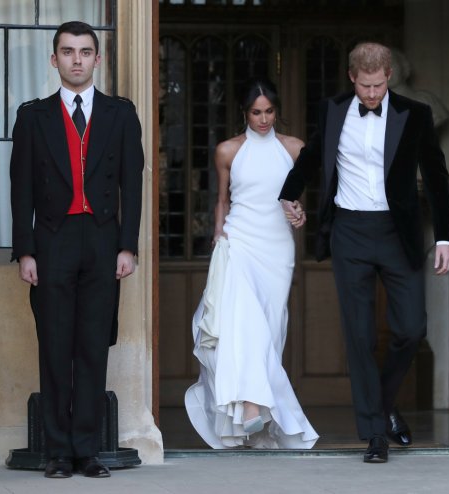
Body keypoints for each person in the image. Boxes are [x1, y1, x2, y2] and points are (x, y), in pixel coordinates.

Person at [278, 42, 449, 463]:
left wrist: (445, 237)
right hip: (350, 230)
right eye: (365, 86)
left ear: (388, 75)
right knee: (358, 335)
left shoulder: (415, 113)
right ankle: (375, 434)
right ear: (352, 77)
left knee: (412, 328)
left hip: (398, 232)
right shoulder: (333, 108)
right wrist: (289, 195)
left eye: (379, 85)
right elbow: (313, 157)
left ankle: (383, 402)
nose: (373, 94)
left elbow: (436, 174)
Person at [10, 22, 144, 478]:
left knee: (92, 346)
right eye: (67, 52)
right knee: (54, 346)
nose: (77, 60)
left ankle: (86, 450)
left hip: (103, 240)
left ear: (97, 59)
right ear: (55, 60)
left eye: (85, 52)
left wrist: (128, 246)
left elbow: (134, 184)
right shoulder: (33, 116)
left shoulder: (121, 114)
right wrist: (25, 251)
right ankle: (57, 452)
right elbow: (20, 190)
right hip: (52, 241)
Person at [185, 79, 318, 449]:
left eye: (269, 111)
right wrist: (217, 234)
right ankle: (249, 405)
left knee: (271, 331)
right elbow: (222, 199)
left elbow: (293, 200)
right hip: (239, 241)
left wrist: (298, 212)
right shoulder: (228, 150)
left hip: (277, 247)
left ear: (277, 111)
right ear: (245, 113)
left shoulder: (294, 149)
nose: (263, 119)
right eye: (256, 112)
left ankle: (262, 424)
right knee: (247, 324)